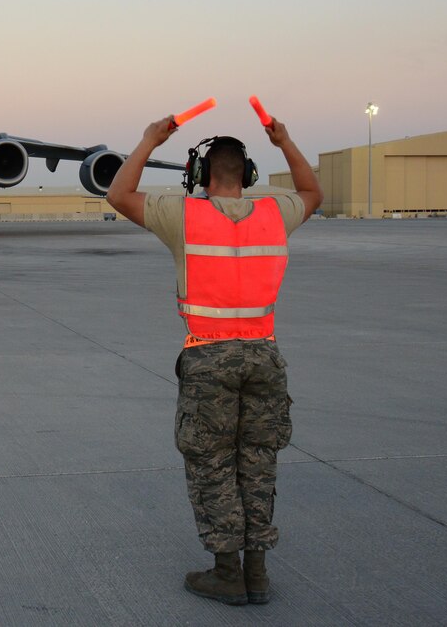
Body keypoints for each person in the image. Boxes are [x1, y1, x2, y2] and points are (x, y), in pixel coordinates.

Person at [106, 113, 322, 606]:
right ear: (248, 175)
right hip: (265, 356)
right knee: (258, 461)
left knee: (212, 464)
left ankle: (228, 573)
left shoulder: (183, 214)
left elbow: (118, 195)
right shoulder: (275, 212)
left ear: (202, 176)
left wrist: (147, 140)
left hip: (209, 357)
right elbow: (313, 193)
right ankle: (258, 572)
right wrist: (285, 140)